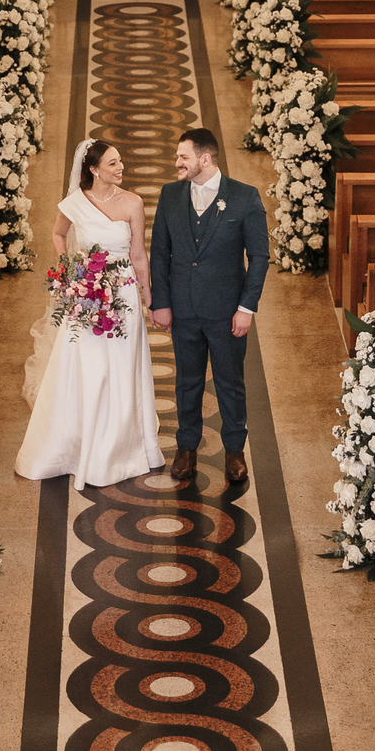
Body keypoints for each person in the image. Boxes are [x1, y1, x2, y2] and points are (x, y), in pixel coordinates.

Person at [15, 138, 163, 490]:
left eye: (120, 160)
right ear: (94, 169)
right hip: (87, 295)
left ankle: (121, 447)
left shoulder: (133, 203)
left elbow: (138, 254)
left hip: (124, 293)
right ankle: (81, 443)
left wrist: (148, 298)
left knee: (123, 368)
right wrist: (71, 269)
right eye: (113, 163)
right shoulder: (74, 203)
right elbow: (58, 233)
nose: (121, 167)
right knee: (91, 369)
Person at [149, 127, 269, 484]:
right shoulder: (170, 195)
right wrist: (161, 302)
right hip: (183, 309)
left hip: (227, 312)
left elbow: (259, 257)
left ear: (205, 159)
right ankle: (186, 449)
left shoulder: (245, 197)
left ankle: (234, 451)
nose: (177, 162)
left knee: (230, 383)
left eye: (183, 156)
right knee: (187, 383)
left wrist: (246, 308)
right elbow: (159, 253)